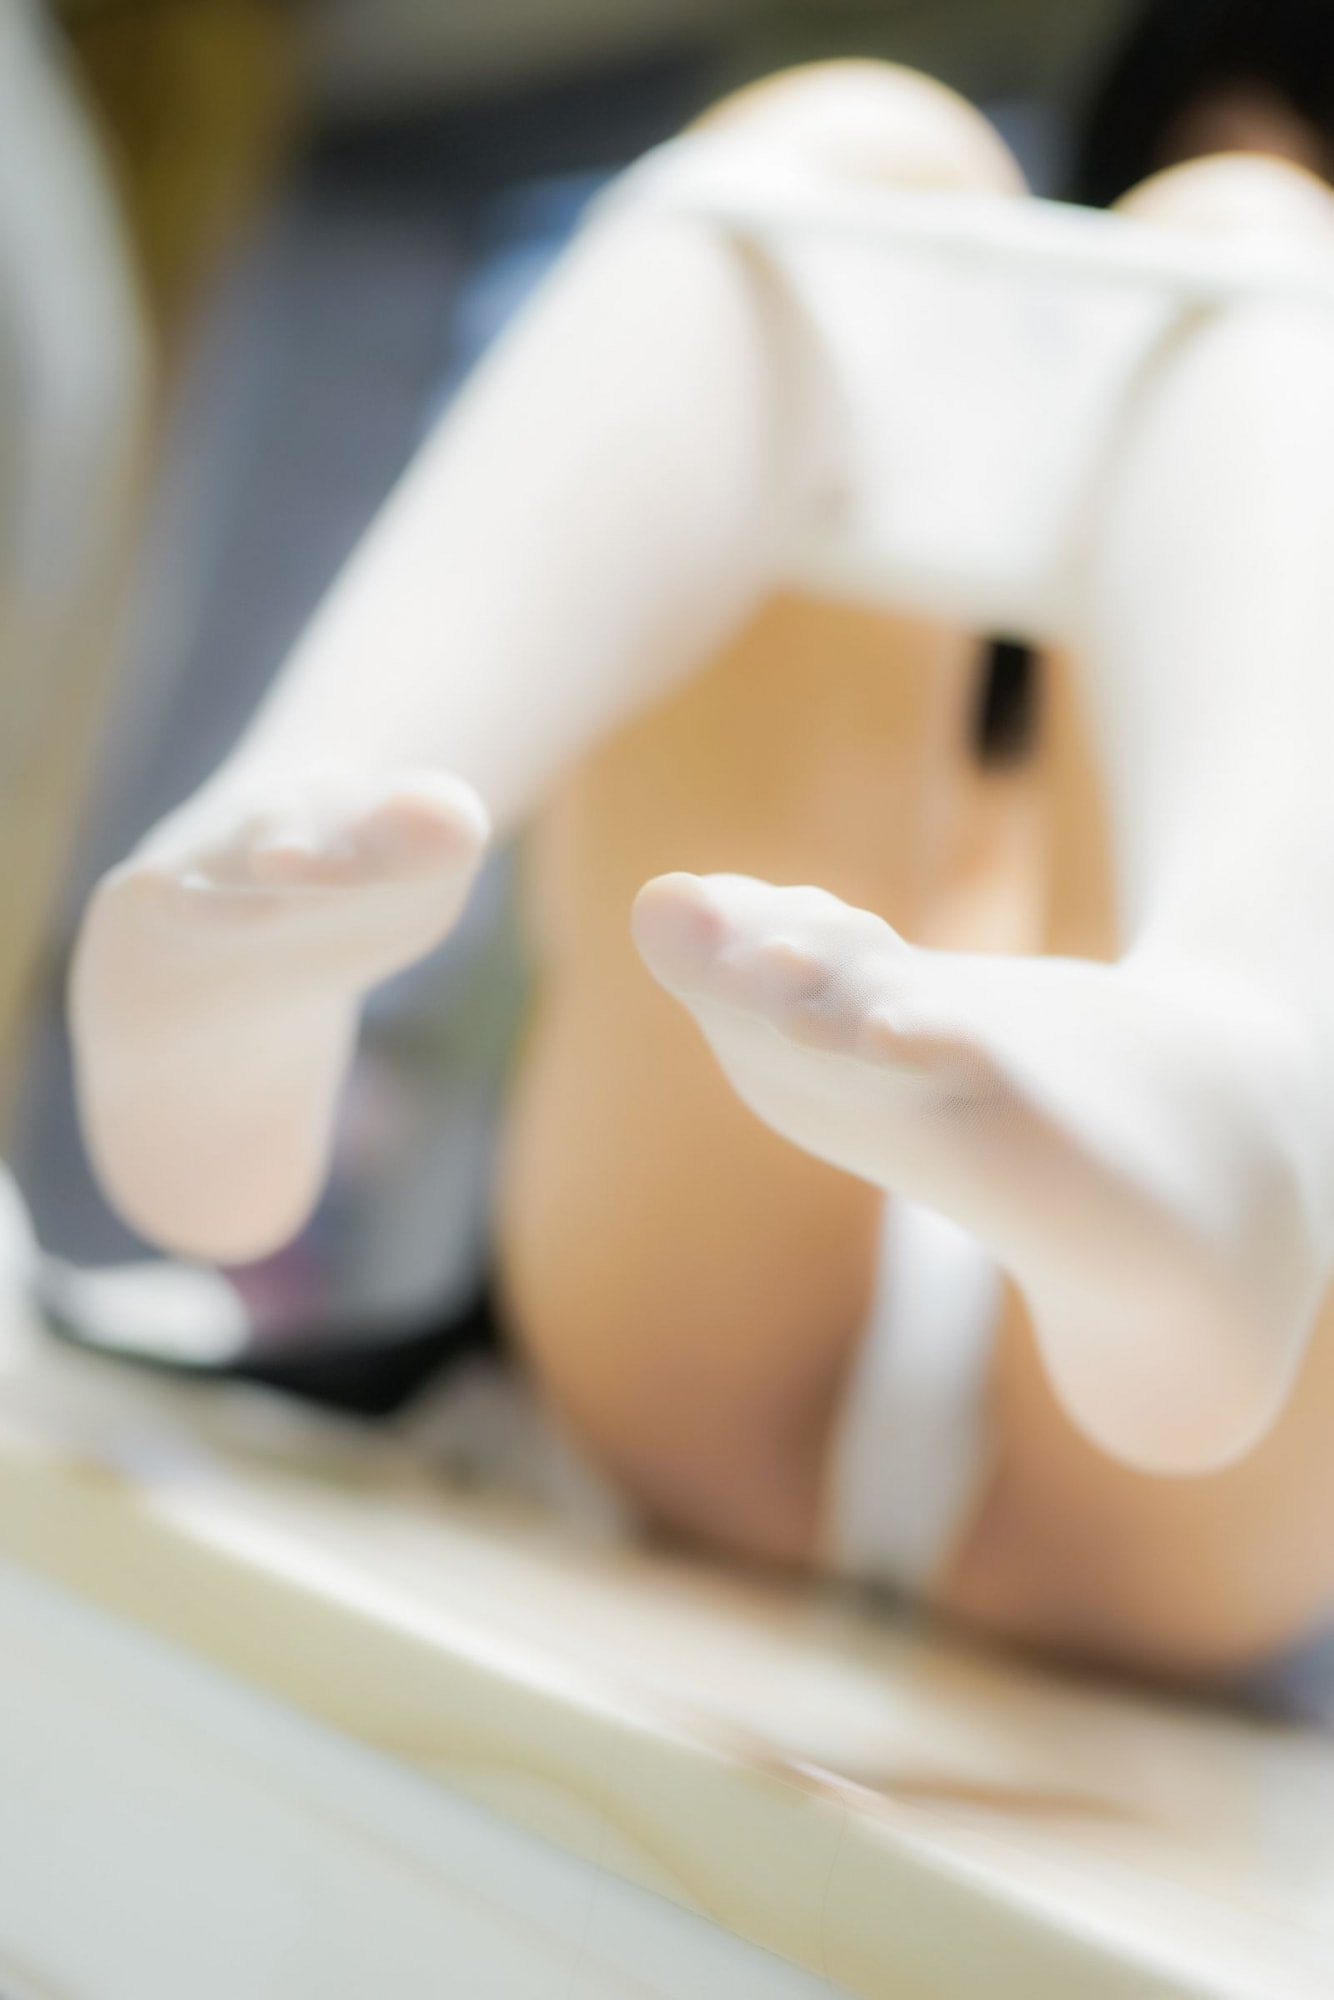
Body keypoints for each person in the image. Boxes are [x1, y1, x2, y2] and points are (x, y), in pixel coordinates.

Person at [66, 53, 1334, 1685]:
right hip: (753, 1341)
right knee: (860, 154)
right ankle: (312, 818)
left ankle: (1227, 1088)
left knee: (1252, 231)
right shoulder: (872, 570)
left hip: (1105, 1433)